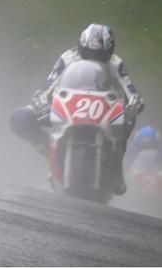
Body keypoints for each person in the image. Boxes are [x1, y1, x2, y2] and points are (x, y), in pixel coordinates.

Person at [9, 23, 145, 195]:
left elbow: (130, 89)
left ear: (109, 51)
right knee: (21, 118)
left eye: (99, 55)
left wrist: (133, 105)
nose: (93, 58)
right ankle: (45, 147)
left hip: (104, 107)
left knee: (130, 120)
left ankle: (116, 170)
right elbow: (48, 85)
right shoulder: (68, 56)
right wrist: (42, 103)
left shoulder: (116, 63)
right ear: (81, 46)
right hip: (67, 103)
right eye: (89, 53)